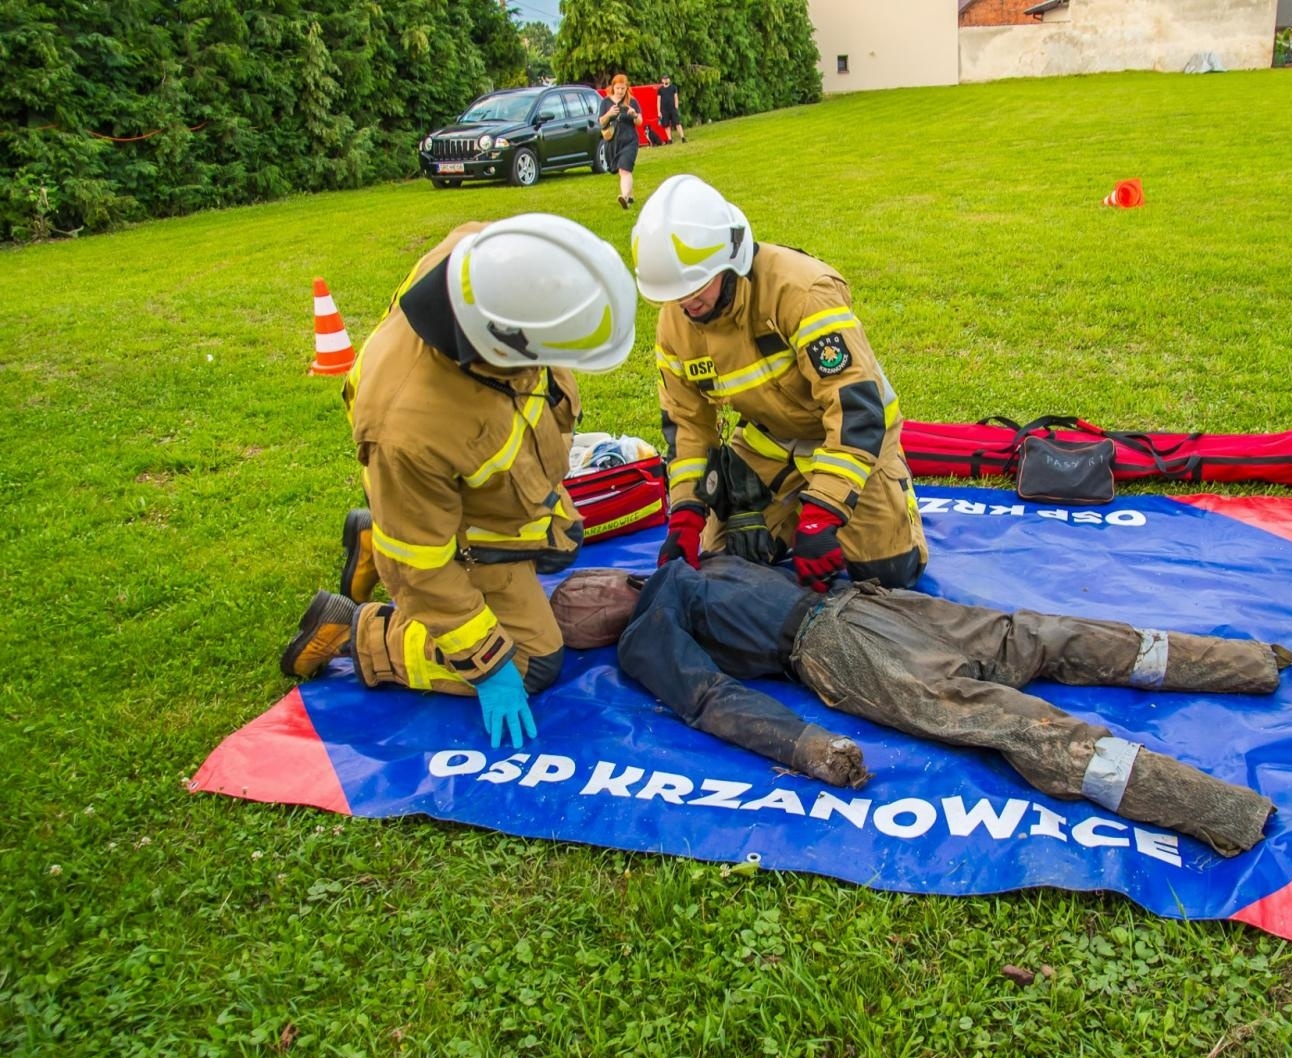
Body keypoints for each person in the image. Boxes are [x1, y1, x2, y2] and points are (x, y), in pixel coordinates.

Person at [551, 557, 1292, 858]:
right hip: (850, 631)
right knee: (1016, 680)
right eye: (584, 600)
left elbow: (713, 694)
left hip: (857, 614)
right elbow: (712, 697)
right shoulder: (652, 625)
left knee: (1024, 660)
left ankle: (1248, 666)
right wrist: (805, 744)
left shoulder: (689, 567)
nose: (593, 596)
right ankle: (1222, 800)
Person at [279, 214, 638, 749]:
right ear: (499, 347)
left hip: (466, 494)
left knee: (558, 546)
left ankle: (377, 537)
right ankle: (356, 633)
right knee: (533, 659)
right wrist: (488, 668)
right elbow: (420, 567)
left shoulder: (483, 263)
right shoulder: (407, 429)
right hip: (440, 515)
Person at [631, 175, 928, 592]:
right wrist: (685, 512)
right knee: (722, 562)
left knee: (890, 573)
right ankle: (784, 516)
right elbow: (687, 424)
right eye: (674, 294)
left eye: (696, 287)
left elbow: (855, 410)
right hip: (769, 443)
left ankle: (893, 490)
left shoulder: (802, 291)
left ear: (729, 260)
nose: (686, 303)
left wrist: (823, 511)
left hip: (849, 439)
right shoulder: (676, 321)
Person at [599, 74, 640, 209]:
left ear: (626, 88)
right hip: (613, 142)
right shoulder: (605, 102)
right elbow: (601, 122)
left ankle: (625, 197)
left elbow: (640, 122)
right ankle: (630, 194)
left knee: (624, 169)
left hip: (630, 141)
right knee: (622, 170)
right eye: (618, 88)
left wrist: (634, 115)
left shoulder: (632, 102)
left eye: (623, 88)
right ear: (613, 87)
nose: (620, 91)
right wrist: (609, 114)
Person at [657, 75, 685, 144]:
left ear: (669, 80)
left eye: (667, 79)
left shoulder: (673, 87)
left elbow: (676, 97)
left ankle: (683, 138)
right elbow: (658, 101)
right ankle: (670, 140)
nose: (666, 80)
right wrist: (659, 111)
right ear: (662, 80)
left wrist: (676, 107)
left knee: (677, 123)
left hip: (673, 109)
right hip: (664, 110)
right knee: (666, 125)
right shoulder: (660, 90)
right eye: (664, 79)